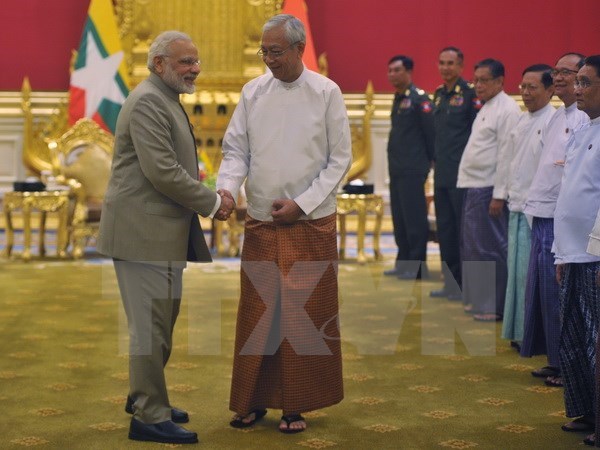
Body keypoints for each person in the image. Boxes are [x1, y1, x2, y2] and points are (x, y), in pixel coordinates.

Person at [216, 14, 351, 434]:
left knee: (304, 316)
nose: (269, 59)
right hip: (260, 220)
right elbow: (236, 150)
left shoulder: (326, 92)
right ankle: (252, 401)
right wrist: (225, 189)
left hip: (309, 221)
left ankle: (296, 406)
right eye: (265, 52)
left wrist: (303, 203)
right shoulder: (253, 92)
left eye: (276, 52)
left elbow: (339, 160)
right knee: (257, 314)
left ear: (298, 49)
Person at [97, 30, 234, 445]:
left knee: (161, 323)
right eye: (185, 62)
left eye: (196, 61)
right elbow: (162, 172)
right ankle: (148, 416)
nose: (195, 69)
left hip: (160, 230)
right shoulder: (148, 102)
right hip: (142, 232)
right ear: (159, 64)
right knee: (150, 328)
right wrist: (213, 202)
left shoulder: (164, 98)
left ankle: (146, 395)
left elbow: (169, 166)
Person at [521, 53, 587, 388]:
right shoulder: (558, 115)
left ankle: (565, 365)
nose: (559, 77)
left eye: (567, 72)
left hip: (561, 219)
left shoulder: (582, 118)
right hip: (542, 212)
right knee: (544, 293)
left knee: (558, 294)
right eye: (556, 72)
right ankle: (554, 358)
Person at [553, 55, 600, 447]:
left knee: (597, 340)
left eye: (586, 82)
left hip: (596, 257)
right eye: (578, 82)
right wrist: (560, 253)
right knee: (574, 336)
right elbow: (569, 194)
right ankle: (587, 410)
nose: (578, 90)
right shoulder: (585, 128)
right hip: (573, 255)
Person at [456, 58, 521, 321]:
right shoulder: (487, 107)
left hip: (488, 189)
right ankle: (480, 299)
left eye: (484, 80)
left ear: (499, 81)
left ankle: (494, 306)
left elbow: (507, 155)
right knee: (473, 246)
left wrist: (498, 194)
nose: (478, 85)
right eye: (476, 80)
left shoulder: (507, 109)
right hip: (474, 185)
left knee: (490, 248)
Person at [501, 64, 556, 348]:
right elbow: (512, 163)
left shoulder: (553, 121)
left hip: (537, 211)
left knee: (529, 275)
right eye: (522, 87)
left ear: (550, 90)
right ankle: (519, 332)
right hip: (517, 205)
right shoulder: (523, 120)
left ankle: (531, 334)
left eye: (532, 87)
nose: (525, 93)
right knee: (517, 273)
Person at [430, 46, 479, 299]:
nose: (445, 67)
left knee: (463, 233)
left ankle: (466, 286)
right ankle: (450, 284)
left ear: (461, 66)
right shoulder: (437, 95)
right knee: (446, 232)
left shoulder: (470, 95)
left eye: (450, 63)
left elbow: (476, 135)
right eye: (441, 62)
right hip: (441, 176)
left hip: (463, 176)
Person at [384, 55, 435, 279]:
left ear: (408, 72)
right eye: (390, 71)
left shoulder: (419, 99)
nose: (392, 74)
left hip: (413, 169)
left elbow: (431, 134)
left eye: (396, 70)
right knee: (400, 219)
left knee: (414, 220)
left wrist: (429, 165)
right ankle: (403, 262)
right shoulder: (399, 98)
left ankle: (416, 267)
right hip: (397, 169)